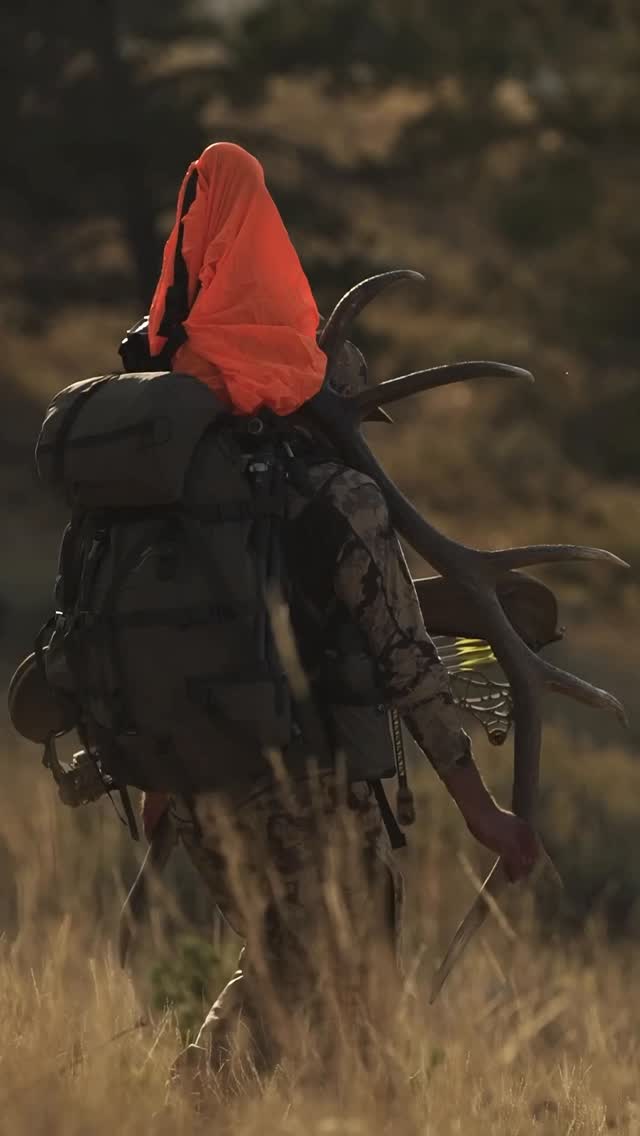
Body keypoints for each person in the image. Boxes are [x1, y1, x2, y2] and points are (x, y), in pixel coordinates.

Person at [142, 141, 539, 1087]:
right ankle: (202, 1096)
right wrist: (483, 811)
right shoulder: (336, 498)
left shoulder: (169, 478)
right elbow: (405, 658)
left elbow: (148, 624)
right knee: (320, 956)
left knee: (307, 960)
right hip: (299, 779)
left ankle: (336, 1103)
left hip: (191, 783)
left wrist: (156, 768)